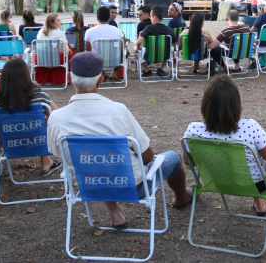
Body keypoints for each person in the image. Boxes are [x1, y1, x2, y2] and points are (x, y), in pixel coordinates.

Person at [47, 52, 192, 227]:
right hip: (133, 187)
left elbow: (59, 154)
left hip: (90, 185)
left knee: (93, 162)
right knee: (173, 158)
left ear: (70, 78)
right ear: (100, 81)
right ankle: (181, 198)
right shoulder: (117, 111)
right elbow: (146, 156)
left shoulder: (56, 118)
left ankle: (117, 214)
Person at [183, 76, 266, 217]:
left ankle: (260, 202)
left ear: (205, 104)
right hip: (256, 186)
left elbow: (187, 161)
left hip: (216, 182)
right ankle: (260, 200)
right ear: (236, 104)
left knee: (237, 160)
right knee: (261, 159)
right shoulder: (250, 127)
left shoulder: (193, 131)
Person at [0, 58, 61, 175]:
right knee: (44, 123)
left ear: (3, 78)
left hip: (9, 141)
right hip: (36, 139)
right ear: (27, 77)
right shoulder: (40, 97)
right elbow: (58, 117)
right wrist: (43, 119)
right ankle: (46, 162)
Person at [135, 6, 177, 77]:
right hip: (164, 56)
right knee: (168, 49)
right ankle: (161, 68)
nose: (150, 18)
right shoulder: (170, 30)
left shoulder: (148, 28)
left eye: (151, 16)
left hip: (148, 56)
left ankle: (147, 70)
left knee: (135, 49)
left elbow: (138, 42)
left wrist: (138, 49)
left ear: (154, 17)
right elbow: (173, 45)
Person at [35, 14, 74, 85]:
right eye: (58, 20)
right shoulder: (60, 33)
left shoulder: (41, 31)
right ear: (52, 24)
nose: (60, 21)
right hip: (55, 60)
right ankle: (68, 76)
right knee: (69, 52)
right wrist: (69, 51)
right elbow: (65, 50)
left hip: (41, 59)